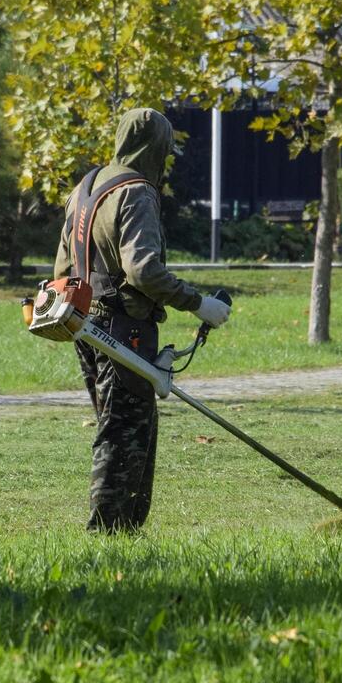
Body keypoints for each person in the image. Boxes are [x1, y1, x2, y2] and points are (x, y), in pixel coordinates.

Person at [54, 107, 231, 533]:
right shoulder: (136, 192)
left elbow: (62, 268)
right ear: (155, 149)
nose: (165, 164)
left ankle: (124, 528)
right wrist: (196, 303)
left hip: (84, 324)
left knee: (116, 423)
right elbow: (144, 271)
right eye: (165, 154)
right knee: (124, 431)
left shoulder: (87, 187)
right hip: (125, 329)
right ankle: (109, 532)